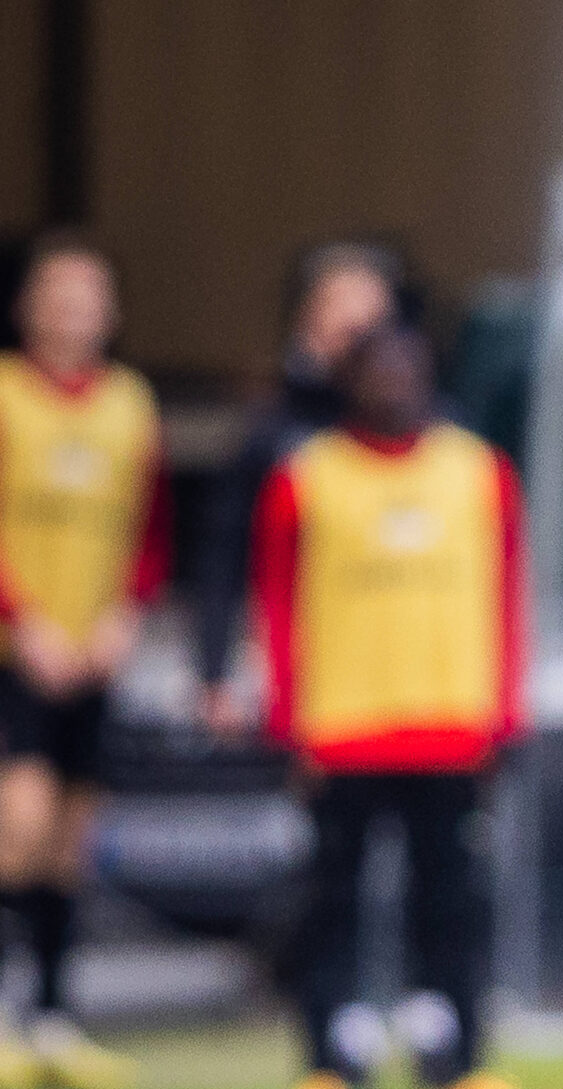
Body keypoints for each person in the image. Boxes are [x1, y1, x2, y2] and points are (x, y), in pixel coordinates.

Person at [252, 324, 544, 1089]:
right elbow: (275, 602)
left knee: (453, 904)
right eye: (376, 369)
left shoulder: (479, 472)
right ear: (349, 381)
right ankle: (325, 1066)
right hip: (341, 727)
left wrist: (505, 713)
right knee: (330, 902)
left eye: (407, 366)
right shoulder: (305, 476)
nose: (393, 382)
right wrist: (287, 721)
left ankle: (459, 1065)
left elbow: (509, 596)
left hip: (452, 726)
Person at [0, 234, 168, 1089]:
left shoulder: (129, 404)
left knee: (69, 839)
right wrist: (23, 622)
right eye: (57, 292)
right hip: (18, 654)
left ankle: (54, 1018)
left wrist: (123, 616)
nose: (73, 308)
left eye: (89, 293)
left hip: (92, 657)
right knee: (17, 824)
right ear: (27, 304)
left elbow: (149, 529)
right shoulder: (6, 394)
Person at [199, 242, 404, 733]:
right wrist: (215, 669)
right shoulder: (273, 434)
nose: (356, 328)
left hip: (407, 682)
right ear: (305, 322)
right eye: (339, 307)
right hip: (302, 681)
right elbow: (224, 553)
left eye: (370, 313)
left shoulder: (440, 437)